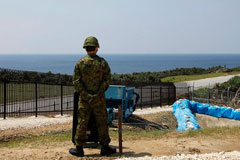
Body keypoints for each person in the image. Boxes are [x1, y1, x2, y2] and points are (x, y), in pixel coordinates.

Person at [69, 36, 116, 157]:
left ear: (85, 48)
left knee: (82, 122)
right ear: (96, 48)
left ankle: (79, 148)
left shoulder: (80, 63)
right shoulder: (102, 63)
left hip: (84, 100)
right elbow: (107, 80)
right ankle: (105, 147)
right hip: (99, 99)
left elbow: (76, 82)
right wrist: (97, 94)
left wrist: (86, 94)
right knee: (102, 122)